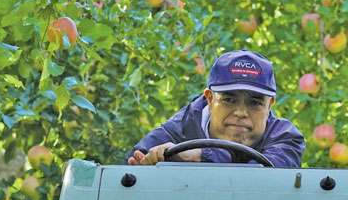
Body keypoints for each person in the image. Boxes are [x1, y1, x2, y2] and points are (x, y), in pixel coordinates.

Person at [126, 49, 304, 168]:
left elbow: (265, 178)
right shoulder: (175, 132)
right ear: (210, 99)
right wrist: (149, 166)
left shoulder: (285, 138)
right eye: (229, 100)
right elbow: (125, 180)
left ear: (269, 105)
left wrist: (200, 155)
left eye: (255, 103)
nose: (241, 112)